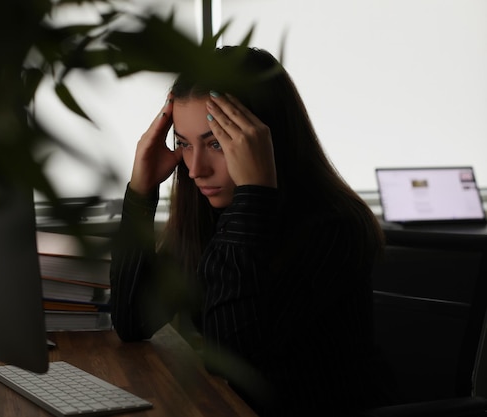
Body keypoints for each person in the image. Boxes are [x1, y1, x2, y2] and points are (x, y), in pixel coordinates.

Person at [109, 46, 391, 416]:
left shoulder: (335, 226)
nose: (195, 169)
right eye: (183, 143)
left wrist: (252, 199)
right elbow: (134, 320)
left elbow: (233, 365)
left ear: (265, 141)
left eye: (216, 143)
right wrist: (141, 194)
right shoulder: (210, 213)